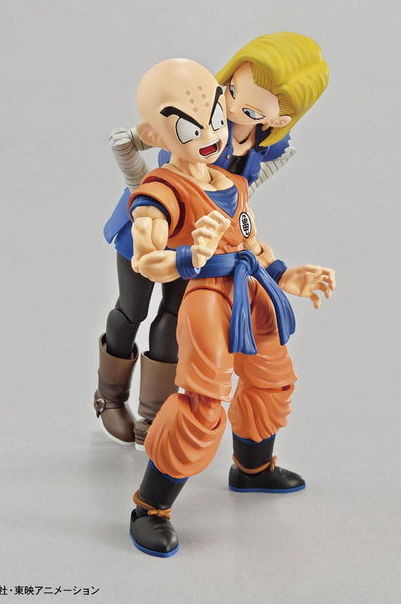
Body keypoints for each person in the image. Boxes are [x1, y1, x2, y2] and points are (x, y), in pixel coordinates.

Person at [126, 58, 335, 557]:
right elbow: (146, 259)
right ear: (154, 135)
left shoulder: (231, 183)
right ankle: (150, 508)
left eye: (216, 117)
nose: (210, 134)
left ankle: (253, 468)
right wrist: (188, 255)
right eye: (188, 127)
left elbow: (251, 243)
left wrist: (286, 274)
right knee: (202, 401)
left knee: (272, 379)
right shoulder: (160, 192)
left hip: (252, 289)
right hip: (207, 299)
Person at [97, 33, 329, 450]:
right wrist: (139, 176)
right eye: (233, 93)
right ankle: (110, 396)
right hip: (157, 227)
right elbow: (156, 169)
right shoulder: (197, 116)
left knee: (172, 319)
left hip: (206, 242)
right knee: (132, 310)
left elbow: (245, 227)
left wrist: (279, 272)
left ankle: (153, 412)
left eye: (247, 110)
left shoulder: (251, 149)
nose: (229, 113)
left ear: (276, 121)